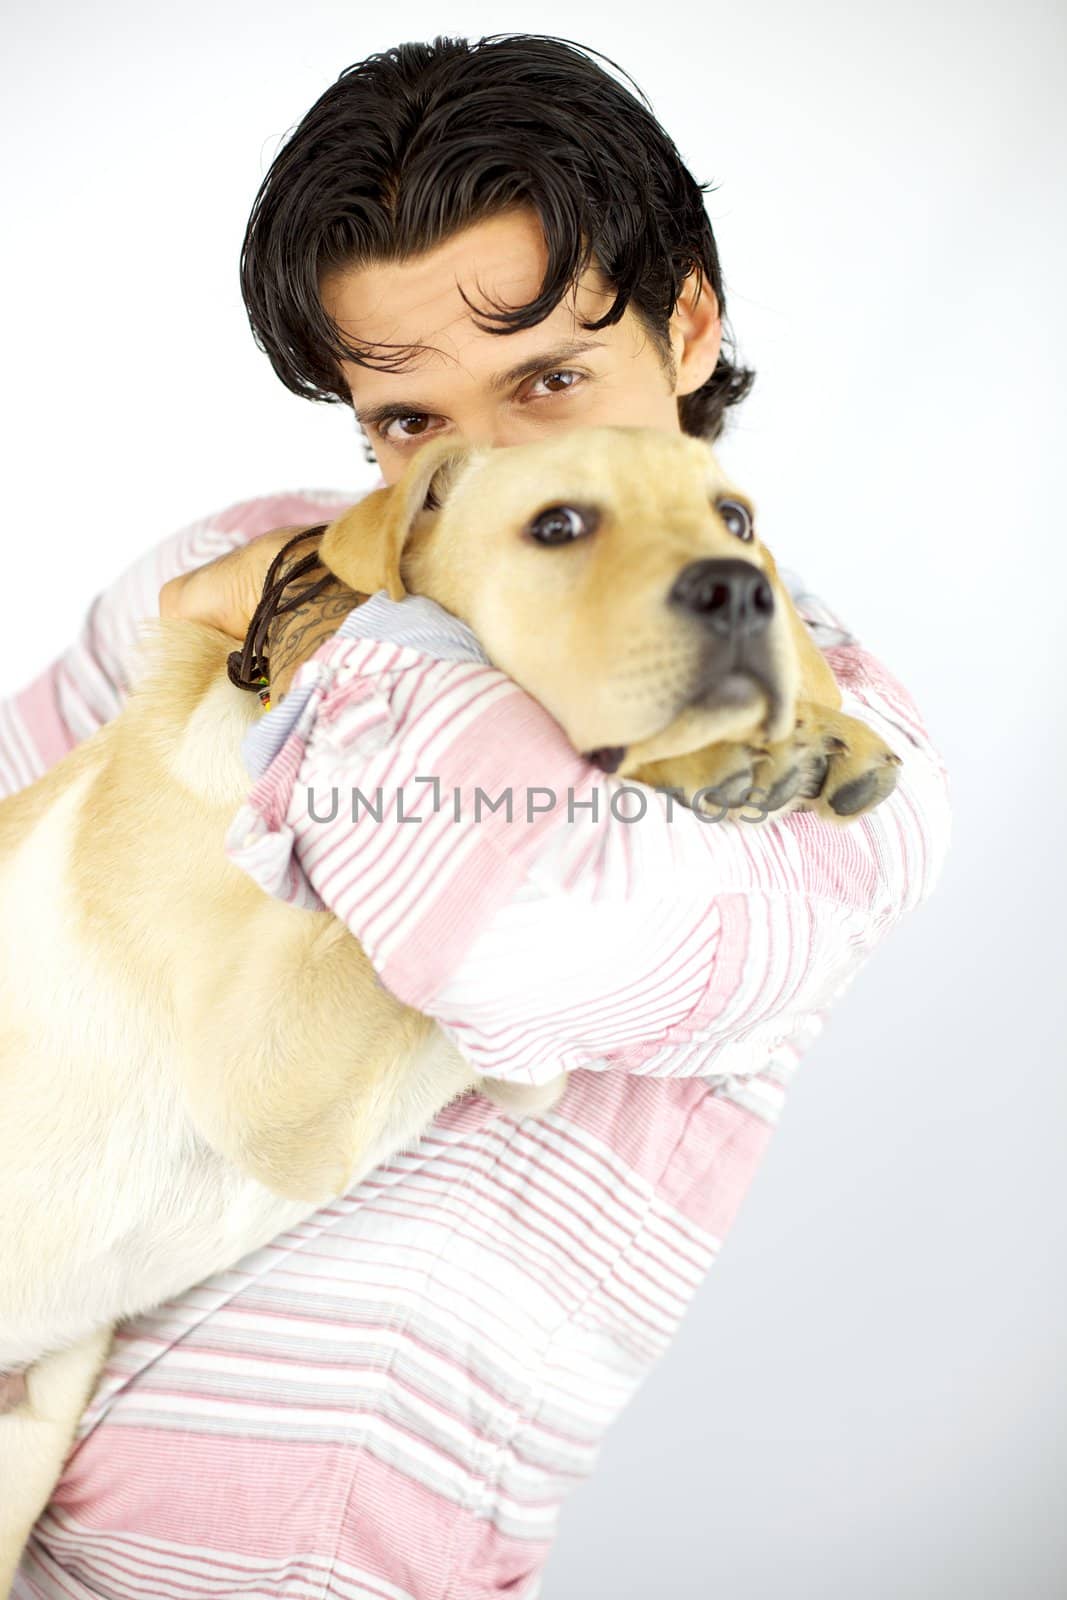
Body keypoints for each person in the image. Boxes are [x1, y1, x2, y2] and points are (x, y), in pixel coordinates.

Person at [4, 33, 951, 1600]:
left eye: (551, 382)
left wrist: (363, 622)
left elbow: (507, 944)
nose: (490, 467)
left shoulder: (845, 753)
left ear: (692, 323)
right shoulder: (231, 556)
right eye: (409, 423)